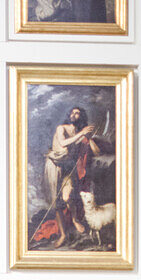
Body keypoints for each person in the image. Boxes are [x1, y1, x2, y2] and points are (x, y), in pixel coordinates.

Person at [36, 106, 104, 249]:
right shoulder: (62, 128)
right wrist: (82, 134)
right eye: (72, 112)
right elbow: (63, 143)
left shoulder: (79, 133)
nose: (74, 114)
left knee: (67, 197)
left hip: (66, 167)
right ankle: (63, 235)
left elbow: (95, 152)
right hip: (54, 166)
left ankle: (74, 220)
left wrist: (88, 138)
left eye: (77, 113)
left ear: (81, 117)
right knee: (57, 202)